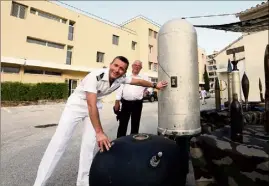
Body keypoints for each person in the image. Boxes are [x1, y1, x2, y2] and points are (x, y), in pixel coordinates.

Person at [33, 56, 168, 186]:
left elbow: (138, 81)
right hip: (77, 105)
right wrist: (99, 132)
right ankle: (39, 183)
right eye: (115, 65)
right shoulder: (95, 76)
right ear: (110, 65)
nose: (117, 70)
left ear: (124, 71)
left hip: (94, 104)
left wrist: (155, 85)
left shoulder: (121, 79)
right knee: (59, 143)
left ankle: (83, 182)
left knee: (89, 145)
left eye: (121, 68)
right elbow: (90, 105)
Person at [114, 60, 151, 138]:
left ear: (141, 68)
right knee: (123, 124)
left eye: (139, 66)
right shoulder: (125, 75)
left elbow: (150, 87)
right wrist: (117, 102)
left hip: (137, 103)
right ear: (132, 66)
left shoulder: (144, 77)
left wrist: (147, 91)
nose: (137, 67)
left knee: (135, 124)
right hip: (125, 103)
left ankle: (133, 143)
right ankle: (120, 142)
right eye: (135, 65)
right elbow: (119, 89)